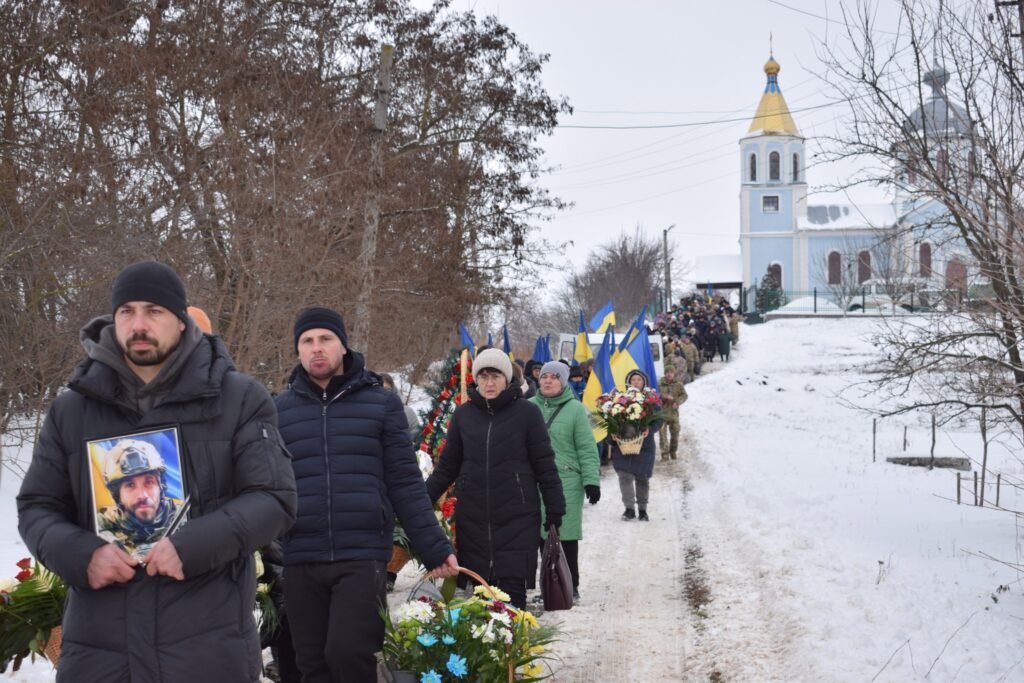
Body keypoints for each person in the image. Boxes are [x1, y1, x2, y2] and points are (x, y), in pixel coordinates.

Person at [17, 260, 297, 682]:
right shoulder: (71, 410)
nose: (139, 324)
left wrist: (191, 546)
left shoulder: (239, 399)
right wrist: (82, 555)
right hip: (101, 655)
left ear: (182, 321)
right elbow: (37, 506)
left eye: (154, 311)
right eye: (126, 312)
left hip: (207, 651)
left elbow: (274, 499)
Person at [274, 306, 457, 683]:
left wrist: (434, 546)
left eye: (326, 339)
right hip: (301, 555)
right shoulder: (279, 410)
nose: (316, 348)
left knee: (349, 653)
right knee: (310, 663)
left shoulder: (380, 404)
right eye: (307, 341)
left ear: (343, 346)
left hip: (360, 554)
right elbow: (268, 484)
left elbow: (405, 482)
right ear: (298, 350)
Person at [425, 348, 565, 609]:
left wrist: (555, 505)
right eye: (483, 377)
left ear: (507, 378)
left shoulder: (527, 414)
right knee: (479, 605)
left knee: (511, 605)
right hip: (473, 520)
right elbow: (447, 468)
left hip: (518, 519)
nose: (489, 383)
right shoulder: (464, 415)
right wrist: (420, 500)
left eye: (496, 376)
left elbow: (544, 465)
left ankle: (515, 647)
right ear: (476, 379)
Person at [528, 361, 600, 604]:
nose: (548, 380)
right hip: (534, 481)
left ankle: (572, 585)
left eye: (554, 377)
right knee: (539, 534)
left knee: (565, 534)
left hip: (567, 479)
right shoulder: (528, 408)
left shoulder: (576, 410)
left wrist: (591, 480)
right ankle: (548, 584)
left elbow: (587, 448)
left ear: (564, 380)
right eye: (544, 376)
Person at [96, 439, 182, 559]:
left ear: (161, 487)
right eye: (130, 485)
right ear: (117, 495)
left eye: (149, 482)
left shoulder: (185, 519)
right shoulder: (99, 529)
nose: (143, 495)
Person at [612, 369, 662, 522]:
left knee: (642, 478)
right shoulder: (619, 399)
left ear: (644, 382)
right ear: (629, 382)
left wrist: (649, 429)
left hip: (644, 445)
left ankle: (642, 510)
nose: (635, 382)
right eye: (633, 380)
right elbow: (611, 419)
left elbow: (659, 420)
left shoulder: (651, 400)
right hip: (623, 445)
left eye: (638, 380)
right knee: (624, 476)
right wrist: (612, 434)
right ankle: (629, 509)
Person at [380, 372, 420, 445]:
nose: (384, 393)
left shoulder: (407, 412)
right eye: (380, 389)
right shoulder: (365, 411)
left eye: (387, 390)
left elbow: (416, 437)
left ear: (393, 391)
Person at [657, 366, 687, 461]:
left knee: (675, 434)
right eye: (667, 372)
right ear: (665, 373)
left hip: (673, 415)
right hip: (662, 414)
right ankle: (664, 454)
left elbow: (684, 395)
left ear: (674, 374)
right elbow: (654, 395)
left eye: (671, 372)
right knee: (662, 436)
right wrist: (664, 396)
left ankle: (673, 451)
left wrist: (677, 402)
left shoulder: (678, 384)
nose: (669, 374)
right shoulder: (659, 384)